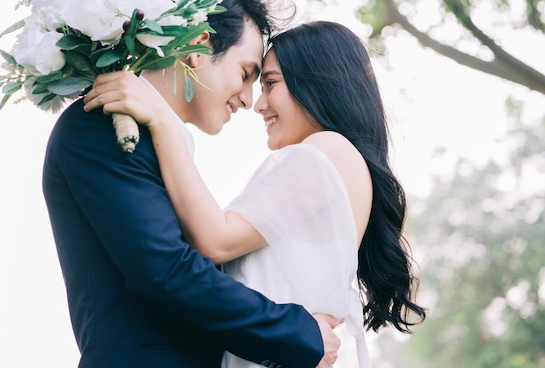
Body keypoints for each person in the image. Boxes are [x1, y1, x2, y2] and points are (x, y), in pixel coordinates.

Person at [84, 20, 428, 368]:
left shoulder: (325, 151)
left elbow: (215, 239)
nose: (258, 104)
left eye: (270, 84)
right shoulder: (340, 162)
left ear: (317, 82)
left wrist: (160, 118)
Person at [42, 0, 340, 368]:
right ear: (199, 47)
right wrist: (297, 332)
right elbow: (167, 272)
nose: (250, 100)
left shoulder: (160, 141)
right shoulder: (102, 123)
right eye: (247, 74)